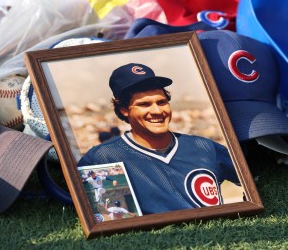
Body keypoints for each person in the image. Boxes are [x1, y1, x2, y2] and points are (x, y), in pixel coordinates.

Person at [77, 62, 240, 215]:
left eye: (162, 102)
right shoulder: (103, 158)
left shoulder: (204, 147)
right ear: (124, 110)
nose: (157, 111)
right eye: (144, 104)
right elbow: (113, 220)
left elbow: (254, 181)